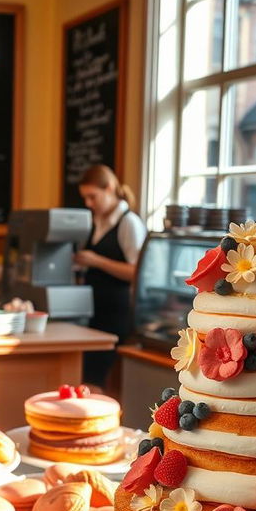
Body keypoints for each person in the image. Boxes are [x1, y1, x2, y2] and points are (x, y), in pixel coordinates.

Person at [74, 164, 147, 390]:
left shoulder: (128, 223)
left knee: (95, 381)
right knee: (86, 378)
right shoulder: (97, 222)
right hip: (94, 313)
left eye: (92, 197)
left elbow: (137, 272)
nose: (88, 204)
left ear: (110, 188)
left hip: (115, 315)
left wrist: (96, 261)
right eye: (85, 198)